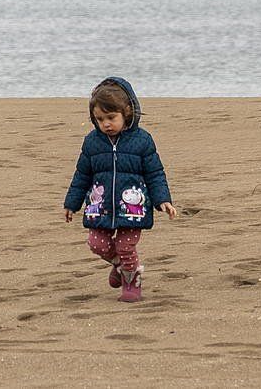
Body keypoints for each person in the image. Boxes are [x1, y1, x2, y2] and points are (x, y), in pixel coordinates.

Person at [63, 77, 177, 302]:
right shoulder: (92, 142)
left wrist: (162, 199)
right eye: (99, 119)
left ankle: (132, 279)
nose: (106, 124)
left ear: (127, 112)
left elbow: (155, 173)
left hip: (132, 208)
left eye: (111, 118)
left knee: (126, 246)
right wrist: (71, 203)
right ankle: (121, 266)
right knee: (96, 243)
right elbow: (82, 175)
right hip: (100, 206)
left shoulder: (142, 141)